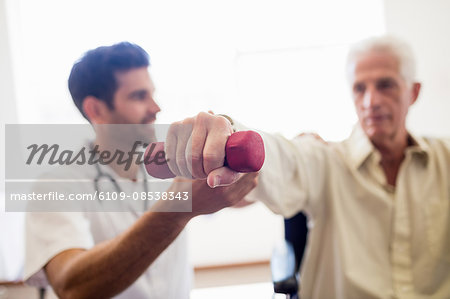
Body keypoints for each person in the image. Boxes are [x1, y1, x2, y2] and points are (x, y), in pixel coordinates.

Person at [163, 35, 450, 298]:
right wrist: (230, 136)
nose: (371, 101)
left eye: (385, 85)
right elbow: (283, 159)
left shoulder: (445, 160)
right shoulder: (326, 160)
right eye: (359, 88)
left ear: (413, 92)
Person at [23, 42, 258, 299]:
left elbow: (242, 196)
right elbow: (72, 287)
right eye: (138, 96)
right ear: (96, 110)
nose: (156, 108)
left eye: (152, 94)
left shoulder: (169, 163)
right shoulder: (55, 186)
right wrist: (175, 210)